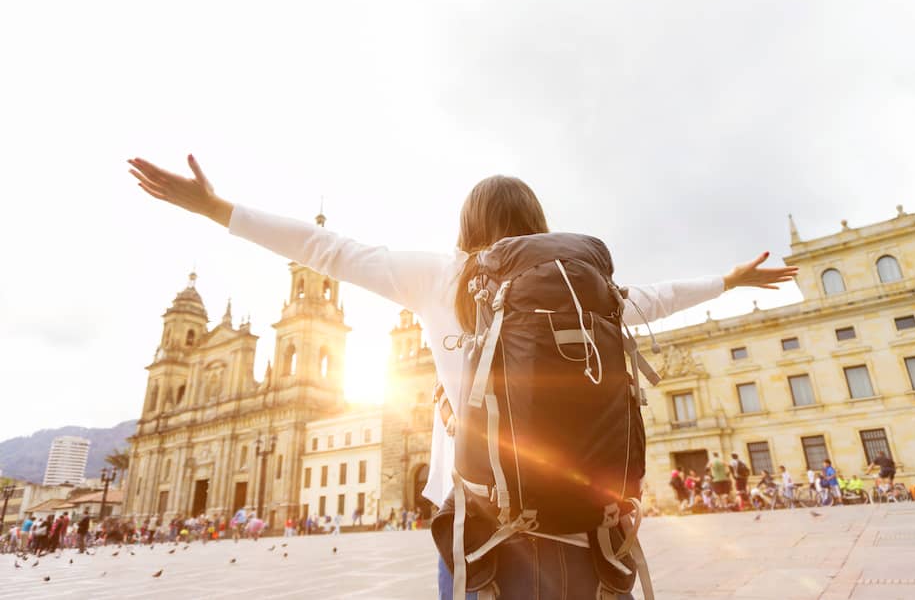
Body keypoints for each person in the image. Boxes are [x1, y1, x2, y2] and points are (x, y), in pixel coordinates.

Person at [128, 154, 796, 600]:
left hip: (480, 515)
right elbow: (659, 295)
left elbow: (322, 248)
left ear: (466, 225)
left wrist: (217, 208)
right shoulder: (585, 288)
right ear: (540, 226)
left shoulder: (441, 276)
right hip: (585, 514)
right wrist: (730, 280)